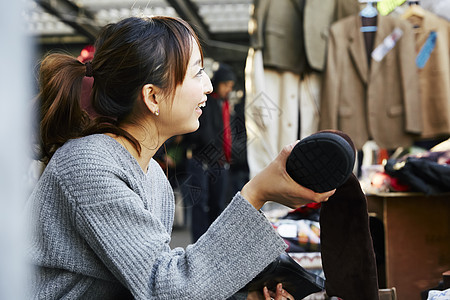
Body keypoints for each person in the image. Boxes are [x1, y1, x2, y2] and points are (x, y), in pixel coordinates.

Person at [28, 16, 334, 300]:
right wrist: (256, 194)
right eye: (197, 72)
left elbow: (154, 276)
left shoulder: (152, 176)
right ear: (152, 97)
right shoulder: (87, 165)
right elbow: (168, 289)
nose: (209, 86)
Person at [182, 63, 236, 242]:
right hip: (200, 161)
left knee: (217, 205)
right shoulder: (204, 101)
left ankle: (215, 244)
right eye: (226, 85)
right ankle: (199, 244)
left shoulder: (225, 105)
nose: (228, 89)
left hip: (218, 162)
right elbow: (199, 131)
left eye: (230, 86)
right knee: (200, 205)